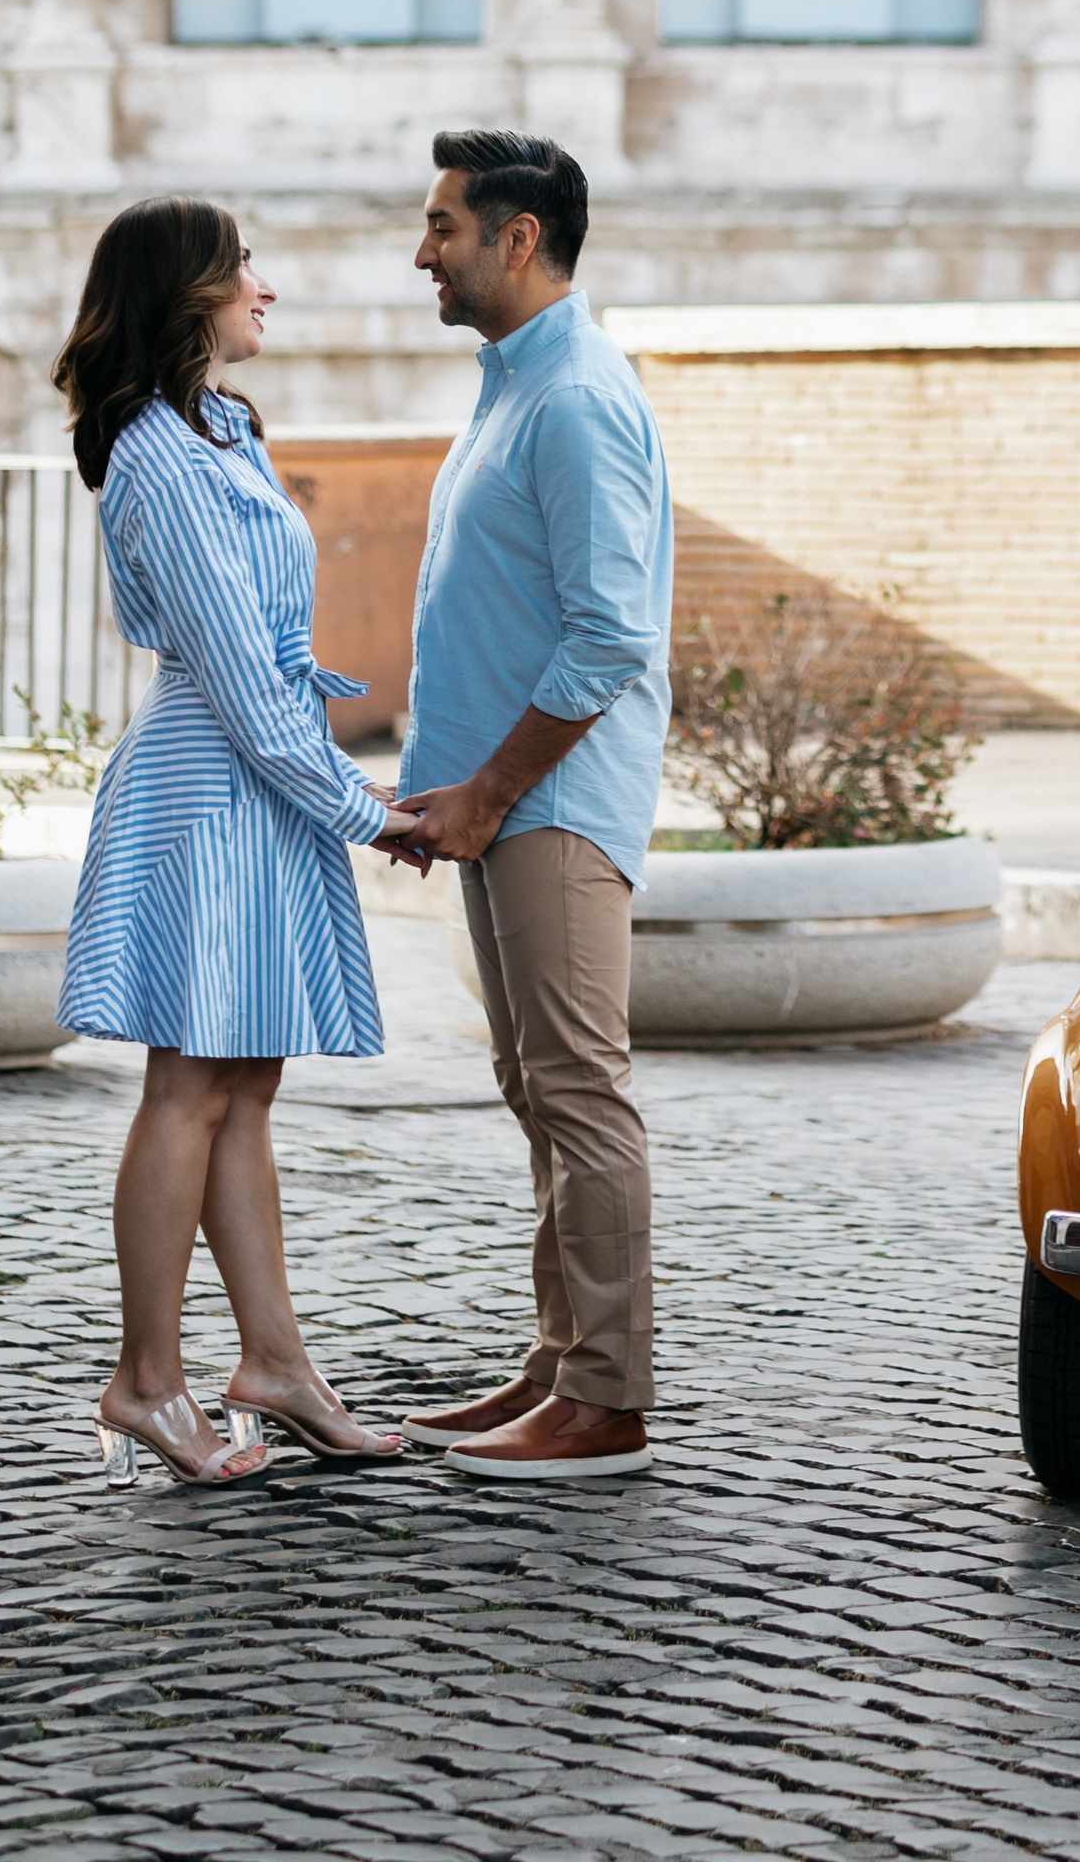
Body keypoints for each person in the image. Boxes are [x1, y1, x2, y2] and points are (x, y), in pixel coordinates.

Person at [54, 195, 427, 1486]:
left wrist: (342, 792)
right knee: (190, 1082)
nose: (264, 287)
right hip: (208, 789)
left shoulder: (223, 427)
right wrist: (364, 810)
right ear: (185, 296)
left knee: (243, 1083)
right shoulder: (157, 456)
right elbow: (239, 679)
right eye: (242, 268)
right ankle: (146, 1381)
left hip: (253, 782)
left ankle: (274, 1364)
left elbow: (267, 680)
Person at [390, 128, 672, 1484]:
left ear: (517, 237)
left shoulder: (575, 396)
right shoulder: (517, 384)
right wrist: (446, 793)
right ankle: (561, 1364)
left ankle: (606, 1398)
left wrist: (491, 792)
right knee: (536, 1085)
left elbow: (609, 637)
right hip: (500, 804)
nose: (423, 254)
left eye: (443, 227)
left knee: (577, 1088)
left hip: (550, 804)